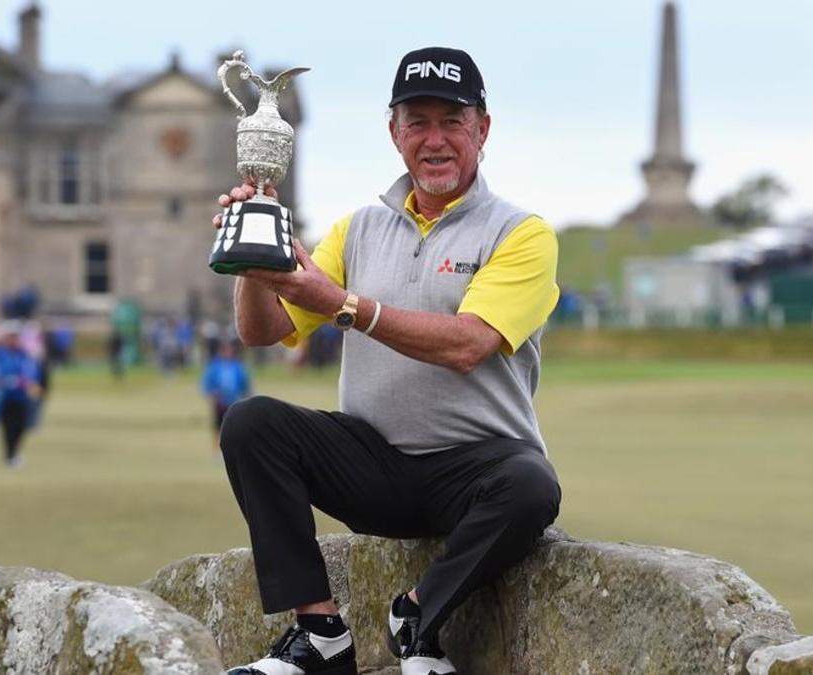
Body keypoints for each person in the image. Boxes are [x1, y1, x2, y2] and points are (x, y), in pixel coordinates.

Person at [212, 47, 561, 675]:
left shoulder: (521, 233)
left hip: (474, 471)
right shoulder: (358, 228)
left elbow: (468, 344)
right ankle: (319, 633)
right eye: (417, 121)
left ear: (482, 129)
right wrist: (252, 258)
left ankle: (418, 619)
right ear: (393, 131)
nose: (434, 140)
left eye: (451, 122)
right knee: (251, 423)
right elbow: (261, 331)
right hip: (372, 462)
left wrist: (343, 304)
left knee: (532, 486)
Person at [0, 322, 41, 467]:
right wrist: (1, 380)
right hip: (5, 396)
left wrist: (23, 381)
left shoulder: (24, 355)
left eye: (15, 337)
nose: (12, 340)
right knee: (7, 426)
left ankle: (15, 452)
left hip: (21, 396)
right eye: (10, 337)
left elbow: (31, 372)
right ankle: (9, 455)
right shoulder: (0, 354)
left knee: (20, 426)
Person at [201, 339, 251, 452]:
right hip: (220, 402)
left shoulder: (237, 366)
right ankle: (216, 450)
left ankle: (233, 450)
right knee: (218, 427)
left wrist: (246, 395)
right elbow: (207, 384)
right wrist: (212, 395)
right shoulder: (215, 366)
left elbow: (245, 383)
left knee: (234, 427)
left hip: (234, 401)